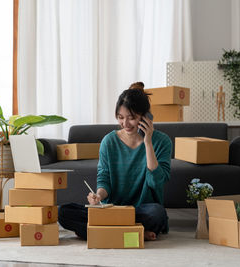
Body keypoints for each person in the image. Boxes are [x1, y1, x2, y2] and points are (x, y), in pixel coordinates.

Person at [58, 82, 172, 241]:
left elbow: (156, 182)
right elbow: (104, 179)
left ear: (145, 117)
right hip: (111, 209)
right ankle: (134, 233)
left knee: (157, 214)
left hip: (141, 209)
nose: (125, 124)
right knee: (63, 212)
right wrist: (98, 196)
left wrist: (148, 143)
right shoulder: (109, 141)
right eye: (120, 117)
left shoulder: (162, 142)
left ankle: (99, 231)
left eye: (131, 118)